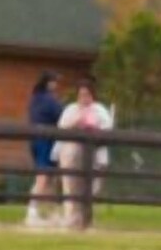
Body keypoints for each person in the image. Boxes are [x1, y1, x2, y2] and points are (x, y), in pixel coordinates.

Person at [53, 81, 112, 229]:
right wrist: (76, 122)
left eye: (87, 94)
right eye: (81, 95)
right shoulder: (71, 109)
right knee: (70, 187)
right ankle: (70, 219)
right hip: (71, 155)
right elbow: (62, 127)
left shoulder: (99, 110)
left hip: (95, 155)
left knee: (93, 188)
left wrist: (93, 127)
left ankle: (86, 219)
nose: (83, 98)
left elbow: (108, 128)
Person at [26, 72, 63, 227]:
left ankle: (52, 213)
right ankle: (32, 212)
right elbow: (61, 115)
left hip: (34, 139)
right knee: (43, 176)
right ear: (49, 83)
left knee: (49, 178)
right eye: (55, 82)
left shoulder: (34, 98)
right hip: (45, 140)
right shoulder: (49, 100)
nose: (57, 85)